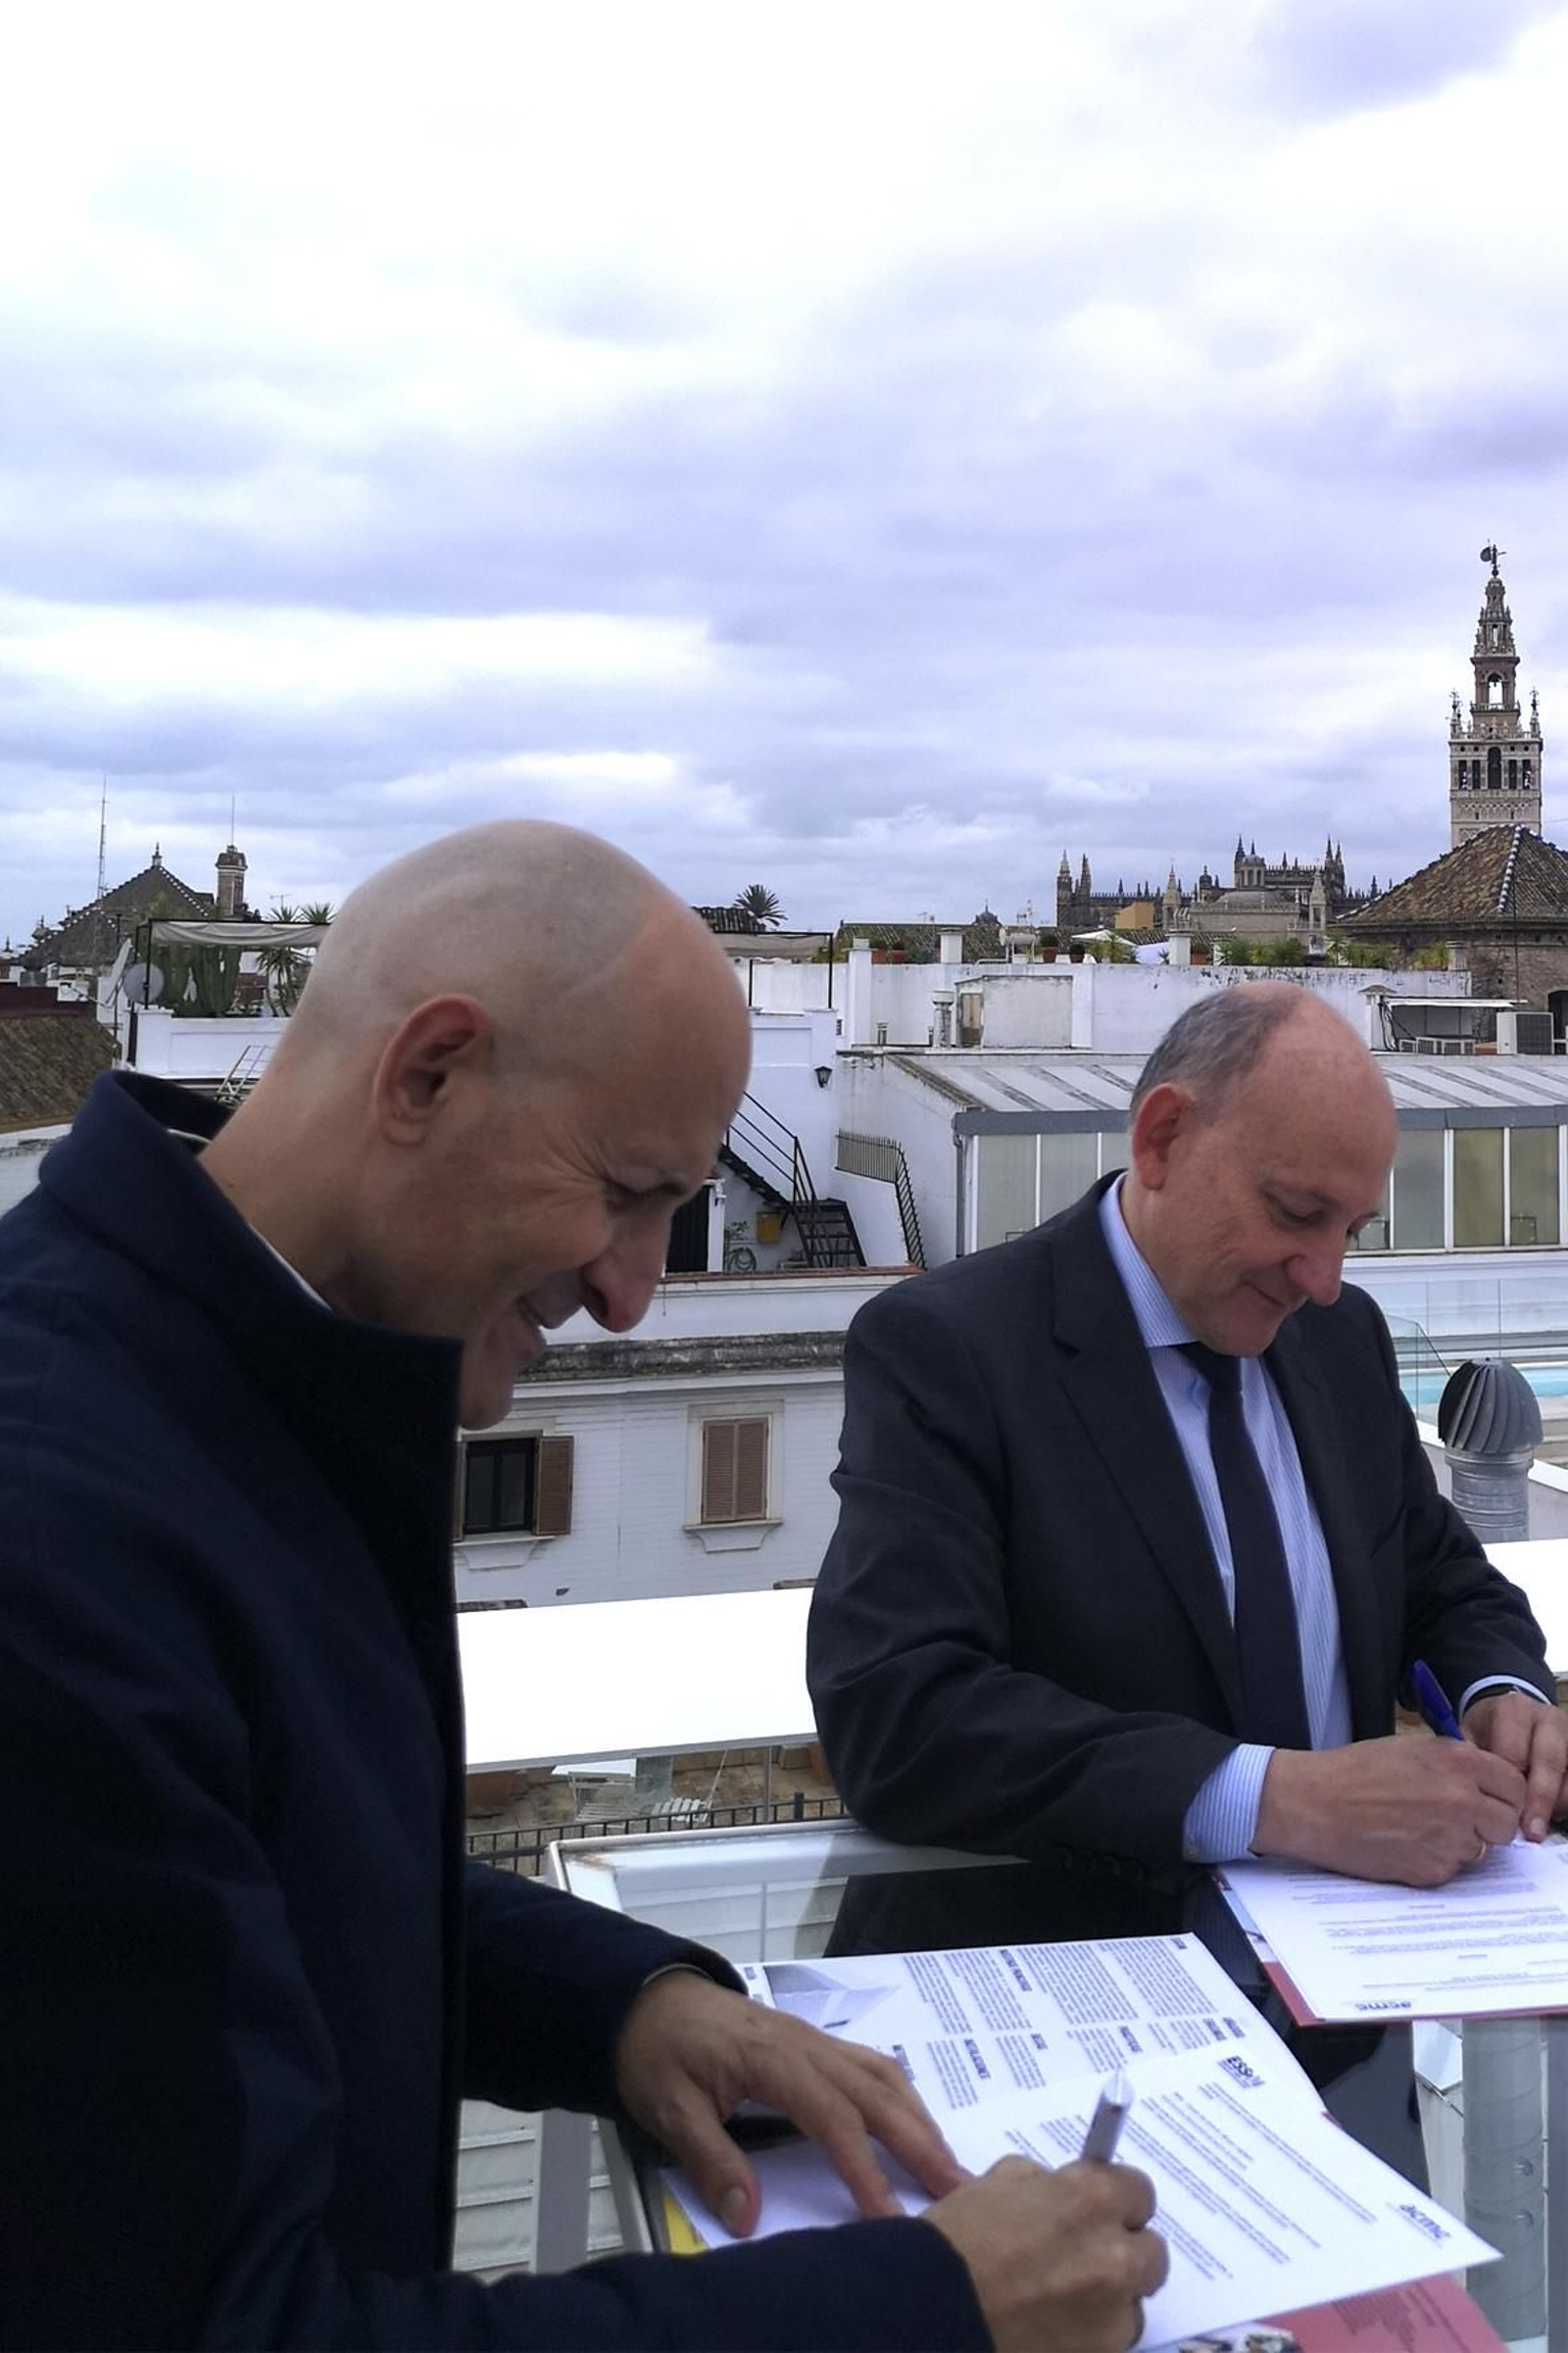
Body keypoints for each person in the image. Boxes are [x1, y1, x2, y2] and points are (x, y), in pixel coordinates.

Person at [0, 821, 1165, 2352]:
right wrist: (932, 2305)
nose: (630, 1293)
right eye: (627, 1191)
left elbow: (269, 1895)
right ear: (428, 1075)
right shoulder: (55, 1534)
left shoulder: (228, 1379)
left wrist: (623, 2005)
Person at [808, 985, 1566, 1889]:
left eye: (1352, 1230)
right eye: (1297, 1212)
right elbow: (897, 1714)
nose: (1325, 1277)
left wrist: (1501, 1691)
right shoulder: (951, 1348)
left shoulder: (1341, 1337)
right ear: (1162, 1138)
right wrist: (1279, 1802)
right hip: (1100, 1951)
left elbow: (1439, 1579)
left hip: (1364, 1955)